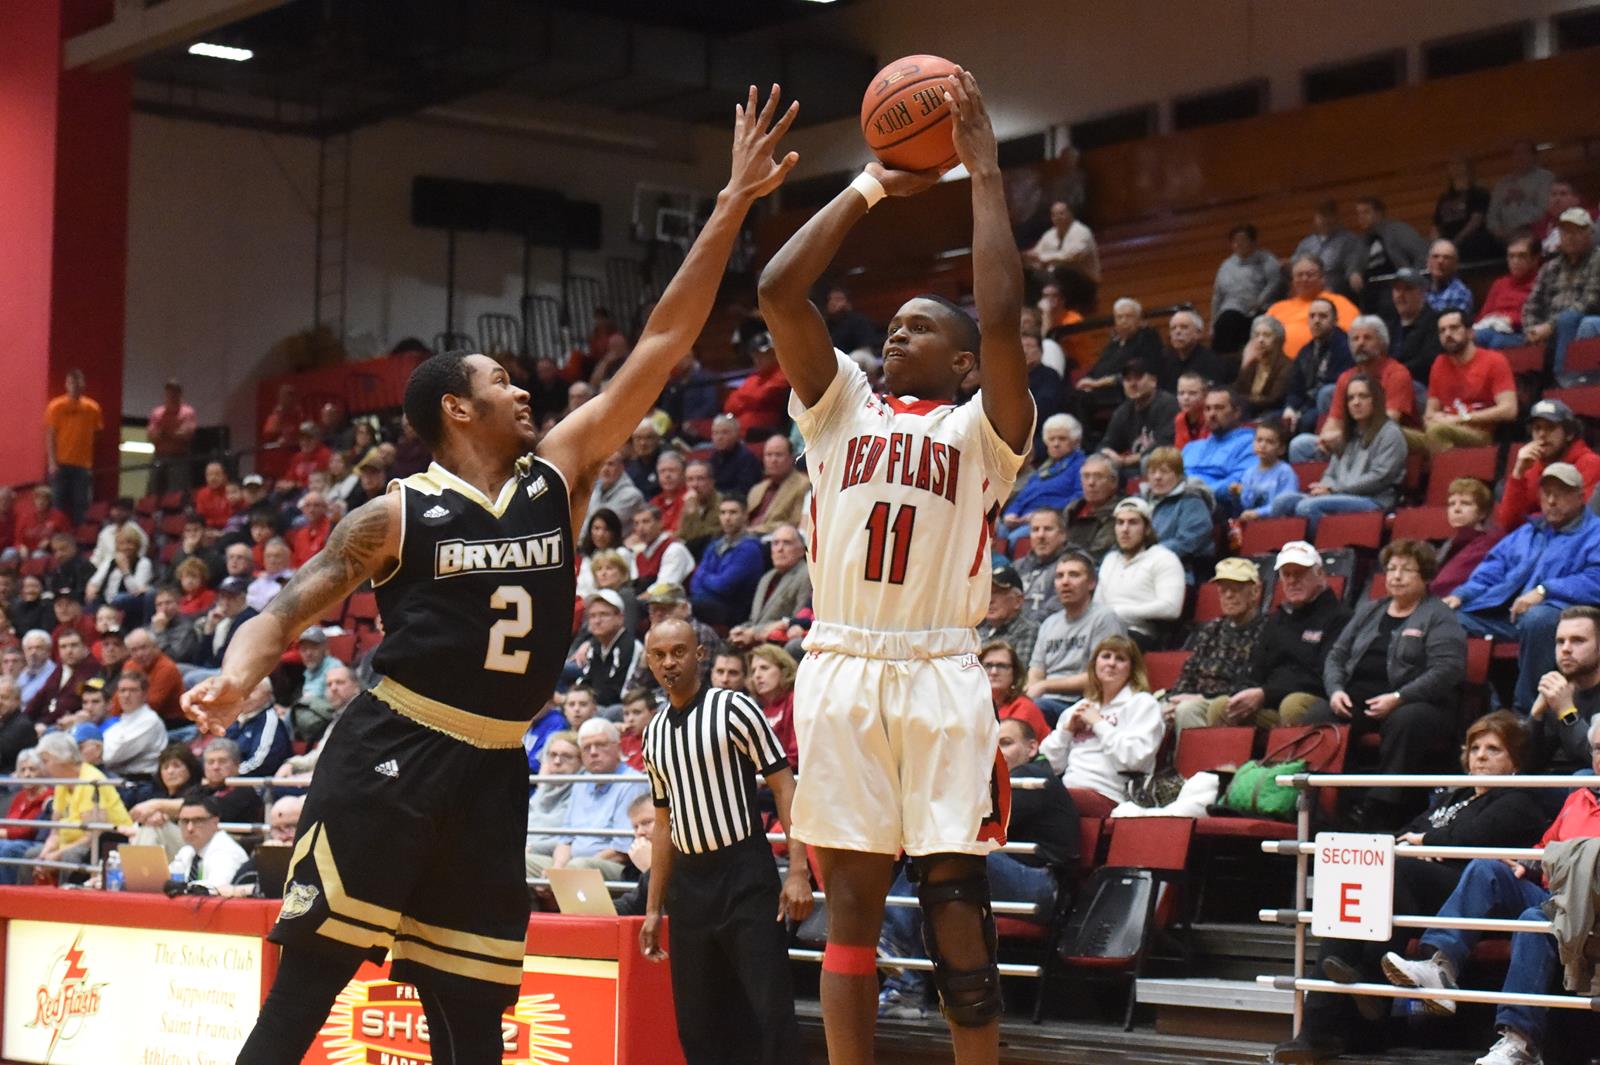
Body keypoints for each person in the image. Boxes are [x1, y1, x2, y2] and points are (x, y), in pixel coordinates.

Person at [179, 86, 801, 1065]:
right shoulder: (393, 515)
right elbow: (287, 608)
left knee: (471, 1016)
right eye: (500, 382)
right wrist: (238, 673)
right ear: (456, 411)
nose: (522, 390)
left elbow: (661, 344)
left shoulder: (561, 475)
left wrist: (730, 204)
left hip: (493, 766)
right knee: (309, 986)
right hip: (393, 751)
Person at [757, 68, 1032, 1063]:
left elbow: (1000, 319)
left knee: (956, 904)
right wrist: (872, 185)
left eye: (918, 325)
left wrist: (984, 174)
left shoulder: (981, 430)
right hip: (840, 662)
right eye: (891, 322)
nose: (893, 332)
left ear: (962, 364)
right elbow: (777, 289)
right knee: (852, 911)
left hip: (938, 665)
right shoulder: (840, 409)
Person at [1273, 710, 1546, 1065]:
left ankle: (1362, 989)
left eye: (1494, 749)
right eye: (1476, 748)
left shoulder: (1519, 800)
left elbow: (1468, 838)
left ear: (1515, 762)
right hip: (1423, 886)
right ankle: (1316, 1030)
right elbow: (1404, 833)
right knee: (1360, 881)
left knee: (1396, 872)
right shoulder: (1456, 796)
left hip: (1470, 896)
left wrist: (1426, 841)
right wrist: (1420, 842)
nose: (1480, 756)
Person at [636, 618, 810, 1065]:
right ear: (649, 662)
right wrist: (654, 908)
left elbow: (784, 785)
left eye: (679, 652)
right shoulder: (653, 733)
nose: (669, 662)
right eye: (659, 655)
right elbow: (663, 823)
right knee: (697, 1023)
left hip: (744, 874)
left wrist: (797, 869)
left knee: (769, 1011)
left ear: (699, 655)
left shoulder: (734, 707)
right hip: (688, 888)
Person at [1379, 717, 1600, 1065]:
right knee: (1486, 867)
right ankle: (1441, 966)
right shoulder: (1578, 796)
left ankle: (1520, 1043)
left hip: (1589, 906)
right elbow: (1544, 849)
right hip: (1554, 895)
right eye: (1597, 749)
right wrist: (1524, 863)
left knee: (1534, 920)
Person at [878, 716, 1078, 1018]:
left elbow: (976, 821)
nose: (996, 752)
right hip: (1003, 876)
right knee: (934, 865)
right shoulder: (997, 781)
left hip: (1042, 886)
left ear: (1032, 748)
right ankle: (904, 988)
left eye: (1006, 743)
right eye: (990, 745)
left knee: (944, 849)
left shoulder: (1034, 777)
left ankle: (890, 939)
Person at [1325, 540, 1468, 829]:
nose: (1396, 576)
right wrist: (1335, 690)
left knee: (1406, 720)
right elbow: (1337, 655)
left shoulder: (1439, 615)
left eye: (1406, 569)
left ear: (1425, 576)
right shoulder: (1369, 610)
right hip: (1358, 699)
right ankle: (1326, 803)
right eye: (1391, 569)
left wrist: (1400, 696)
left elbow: (1447, 669)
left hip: (1418, 702)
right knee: (1317, 715)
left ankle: (1381, 809)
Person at [1445, 463, 1600, 714]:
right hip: (1508, 616)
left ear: (1580, 496)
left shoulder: (1595, 533)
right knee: (1448, 620)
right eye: (1546, 493)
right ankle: (1472, 706)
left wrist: (1544, 591)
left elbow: (1595, 579)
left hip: (1562, 615)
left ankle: (1526, 715)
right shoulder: (1527, 532)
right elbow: (1492, 569)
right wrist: (1462, 594)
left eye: (1560, 493)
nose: (1551, 501)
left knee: (1538, 619)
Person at [1197, 542, 1351, 728]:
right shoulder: (1277, 619)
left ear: (1320, 574)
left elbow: (1322, 677)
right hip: (1271, 702)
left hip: (1315, 702)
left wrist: (1266, 694)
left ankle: (1293, 749)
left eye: (1300, 573)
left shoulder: (1339, 618)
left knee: (1293, 705)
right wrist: (1246, 693)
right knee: (1222, 707)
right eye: (1287, 574)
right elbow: (1256, 669)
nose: (1292, 580)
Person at [1038, 635, 1164, 815]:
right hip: (1069, 791)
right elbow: (1049, 764)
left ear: (1132, 668)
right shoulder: (1080, 708)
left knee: (1035, 799)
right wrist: (1066, 732)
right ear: (1094, 664)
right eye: (1106, 656)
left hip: (1111, 795)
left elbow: (1134, 759)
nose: (1111, 663)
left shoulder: (1142, 704)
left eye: (1120, 659)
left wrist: (1098, 724)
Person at [1269, 374, 1407, 536]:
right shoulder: (1348, 433)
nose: (1356, 402)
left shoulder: (1390, 433)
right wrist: (1323, 488)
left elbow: (1380, 477)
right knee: (1282, 502)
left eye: (1363, 396)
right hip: (1339, 494)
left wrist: (1333, 489)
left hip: (1373, 499)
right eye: (1350, 398)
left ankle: (1326, 547)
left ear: (1376, 400)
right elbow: (1331, 473)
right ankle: (1282, 549)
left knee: (1306, 507)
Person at [527, 718, 649, 881]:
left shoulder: (631, 783)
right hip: (573, 863)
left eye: (601, 745)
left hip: (612, 865)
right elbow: (566, 840)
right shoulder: (581, 782)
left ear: (618, 747)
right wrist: (557, 868)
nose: (593, 752)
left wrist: (567, 873)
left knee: (578, 869)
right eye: (586, 747)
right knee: (520, 864)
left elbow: (621, 850)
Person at [1289, 315, 1417, 463]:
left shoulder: (1397, 373)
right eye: (1355, 339)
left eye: (1367, 338)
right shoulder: (1346, 377)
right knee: (1300, 445)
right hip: (1351, 439)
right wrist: (1326, 439)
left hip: (1386, 440)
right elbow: (1334, 421)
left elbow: (1390, 421)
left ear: (1382, 343)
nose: (1360, 343)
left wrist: (1346, 437)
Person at [1027, 551, 1128, 722]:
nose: (1065, 582)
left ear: (1091, 583)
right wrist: (1033, 689)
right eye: (1059, 576)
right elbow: (1036, 671)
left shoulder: (1104, 618)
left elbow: (1103, 675)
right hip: (1045, 699)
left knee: (1034, 710)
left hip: (1084, 702)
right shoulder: (1049, 623)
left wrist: (1044, 686)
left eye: (1074, 575)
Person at [1168, 559, 1265, 730]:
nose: (1228, 595)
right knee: (1155, 709)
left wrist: (1200, 698)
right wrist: (1175, 698)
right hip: (1198, 701)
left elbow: (1249, 683)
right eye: (1223, 589)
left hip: (1233, 705)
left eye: (1236, 588)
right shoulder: (1211, 629)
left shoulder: (1267, 630)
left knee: (1187, 710)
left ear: (1255, 592)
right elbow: (1189, 673)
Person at [1521, 206, 1600, 385]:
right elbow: (1532, 304)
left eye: (1576, 231)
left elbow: (1591, 301)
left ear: (1590, 233)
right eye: (1565, 232)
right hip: (1549, 333)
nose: (1570, 237)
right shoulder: (1550, 267)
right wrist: (1532, 330)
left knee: (1569, 319)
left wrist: (1550, 326)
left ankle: (1566, 381)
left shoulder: (1597, 260)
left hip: (1582, 325)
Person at [1498, 399, 1600, 534]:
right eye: (1537, 428)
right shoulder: (1531, 466)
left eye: (1550, 428)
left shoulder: (1591, 463)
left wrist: (1530, 519)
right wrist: (1518, 473)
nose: (1542, 434)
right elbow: (1509, 524)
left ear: (1569, 434)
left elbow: (1579, 519)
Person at [1423, 309, 1519, 452]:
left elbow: (1510, 410)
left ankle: (1445, 466)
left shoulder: (1494, 360)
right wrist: (1431, 420)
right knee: (1399, 434)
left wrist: (1461, 418)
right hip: (1444, 427)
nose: (1447, 334)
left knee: (1437, 431)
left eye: (1454, 328)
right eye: (1442, 331)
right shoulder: (1439, 363)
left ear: (1470, 332)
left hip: (1479, 433)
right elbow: (1430, 413)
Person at [1094, 498, 1184, 649]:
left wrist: (1119, 612)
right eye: (1120, 523)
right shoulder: (1110, 560)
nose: (1125, 529)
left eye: (1133, 522)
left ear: (1147, 528)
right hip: (1104, 631)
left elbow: (1171, 608)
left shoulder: (1164, 558)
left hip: (1139, 635)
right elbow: (1097, 605)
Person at [1529, 606, 1600, 775]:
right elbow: (1528, 766)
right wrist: (1535, 717)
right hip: (1558, 782)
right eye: (1560, 641)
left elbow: (1595, 759)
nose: (1566, 649)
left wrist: (1567, 712)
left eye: (1578, 641)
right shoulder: (1557, 691)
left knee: (1582, 775)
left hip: (1589, 782)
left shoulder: (1561, 700)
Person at [1001, 414, 1085, 546]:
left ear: (1075, 442)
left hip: (1049, 523)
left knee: (1014, 539)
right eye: (1052, 439)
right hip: (1021, 520)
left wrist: (1039, 515)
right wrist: (1011, 514)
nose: (1056, 444)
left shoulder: (1081, 466)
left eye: (1062, 439)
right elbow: (1021, 498)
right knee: (994, 531)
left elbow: (1079, 497)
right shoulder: (1042, 470)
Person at [728, 524, 810, 650]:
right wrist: (741, 630)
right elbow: (754, 620)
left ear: (802, 550)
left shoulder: (806, 575)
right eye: (775, 543)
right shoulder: (766, 577)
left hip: (779, 644)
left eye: (787, 543)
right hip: (756, 641)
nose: (780, 549)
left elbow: (798, 620)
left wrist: (753, 632)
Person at [1075, 298, 1161, 415]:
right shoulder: (1115, 343)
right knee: (1074, 397)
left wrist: (1098, 383)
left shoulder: (1147, 338)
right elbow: (1099, 366)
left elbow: (1140, 371)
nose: (1123, 321)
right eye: (1119, 317)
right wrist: (1087, 379)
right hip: (1100, 391)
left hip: (1123, 392)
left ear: (1139, 319)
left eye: (1128, 316)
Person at [688, 499, 765, 626]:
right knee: (674, 605)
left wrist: (703, 576)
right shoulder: (715, 545)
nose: (727, 518)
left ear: (745, 516)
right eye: (723, 513)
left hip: (733, 609)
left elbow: (723, 586)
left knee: (683, 607)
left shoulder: (750, 549)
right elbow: (694, 583)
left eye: (733, 512)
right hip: (706, 602)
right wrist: (705, 579)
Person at [1267, 256, 1359, 358]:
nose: (1304, 279)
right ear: (1293, 280)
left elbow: (1351, 336)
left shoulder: (1339, 303)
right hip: (1278, 363)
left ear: (1322, 279)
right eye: (1299, 275)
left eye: (1310, 275)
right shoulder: (1277, 308)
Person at [1281, 299, 1352, 430]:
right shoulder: (1306, 351)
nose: (1316, 321)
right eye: (1312, 316)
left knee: (1305, 422)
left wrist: (1301, 412)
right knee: (1274, 421)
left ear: (1335, 320)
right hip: (1305, 404)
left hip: (1328, 407)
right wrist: (1290, 408)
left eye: (1323, 316)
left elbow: (1334, 385)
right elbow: (1295, 386)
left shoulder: (1345, 347)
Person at [1099, 360, 1177, 478]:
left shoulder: (1169, 404)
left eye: (1138, 378)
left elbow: (1165, 444)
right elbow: (1106, 443)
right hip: (1130, 468)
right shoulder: (1123, 411)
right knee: (1096, 461)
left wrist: (1127, 460)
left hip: (1161, 467)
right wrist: (1107, 453)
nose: (1132, 384)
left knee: (1148, 462)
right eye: (1128, 379)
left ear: (1153, 381)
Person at [43, 368, 103, 523]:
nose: (74, 386)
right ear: (66, 384)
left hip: (83, 465)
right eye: (70, 382)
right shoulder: (56, 406)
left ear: (83, 384)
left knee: (82, 505)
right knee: (57, 505)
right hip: (60, 464)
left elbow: (96, 433)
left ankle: (80, 534)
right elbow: (50, 435)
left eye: (77, 382)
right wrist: (52, 462)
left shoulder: (93, 407)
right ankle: (57, 533)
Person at [1139, 448, 1214, 570]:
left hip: (1181, 568)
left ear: (1179, 475)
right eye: (1152, 472)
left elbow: (1187, 542)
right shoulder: (1141, 500)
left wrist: (1145, 555)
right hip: (1144, 565)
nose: (1157, 477)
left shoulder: (1192, 501)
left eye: (1164, 471)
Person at [1211, 223, 1281, 354]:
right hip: (1233, 309)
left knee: (1261, 325)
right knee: (1225, 321)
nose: (1239, 244)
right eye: (1235, 241)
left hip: (1260, 308)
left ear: (1253, 242)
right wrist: (1213, 323)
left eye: (1243, 240)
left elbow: (1275, 281)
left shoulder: (1267, 259)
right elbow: (1217, 296)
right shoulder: (1226, 265)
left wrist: (1260, 301)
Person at [1353, 197, 1427, 314]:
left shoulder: (1398, 230)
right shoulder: (1362, 240)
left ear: (1379, 213)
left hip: (1395, 288)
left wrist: (1412, 281)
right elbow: (1354, 264)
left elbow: (1421, 255)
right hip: (1370, 293)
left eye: (1366, 212)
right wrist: (1354, 272)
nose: (1361, 217)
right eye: (1359, 214)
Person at [1180, 388, 1256, 501]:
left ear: (1237, 413)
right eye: (1207, 409)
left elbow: (1238, 483)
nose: (1212, 414)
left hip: (1215, 504)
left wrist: (1196, 491)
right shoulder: (1191, 447)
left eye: (1219, 408)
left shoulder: (1251, 444)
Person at [1433, 477, 1502, 600]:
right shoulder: (1450, 544)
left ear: (1482, 512)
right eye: (1451, 504)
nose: (1456, 509)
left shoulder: (1488, 543)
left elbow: (1446, 583)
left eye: (1465, 503)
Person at [723, 323, 791, 439]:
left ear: (774, 353)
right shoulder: (755, 377)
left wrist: (742, 398)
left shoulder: (784, 373)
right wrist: (748, 398)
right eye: (755, 356)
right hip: (741, 434)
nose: (757, 360)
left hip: (767, 434)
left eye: (762, 355)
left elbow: (762, 396)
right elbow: (729, 406)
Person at [1474, 235, 1542, 349]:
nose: (1515, 261)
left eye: (1522, 256)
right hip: (1493, 329)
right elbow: (1484, 315)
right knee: (1473, 338)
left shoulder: (1541, 282)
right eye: (1511, 256)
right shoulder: (1500, 284)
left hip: (1522, 333)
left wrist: (1510, 320)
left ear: (1535, 259)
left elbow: (1539, 316)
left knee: (1498, 342)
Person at [1022, 200, 1100, 297]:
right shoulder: (1049, 234)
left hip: (1085, 282)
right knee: (1029, 274)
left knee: (1061, 271)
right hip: (1058, 279)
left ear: (1070, 214)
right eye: (1054, 215)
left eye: (1061, 213)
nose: (1058, 217)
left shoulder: (1082, 232)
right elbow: (1036, 253)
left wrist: (1044, 258)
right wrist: (1028, 257)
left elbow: (1072, 256)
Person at [524, 731, 580, 864]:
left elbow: (573, 839)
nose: (557, 761)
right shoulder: (542, 790)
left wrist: (532, 848)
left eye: (566, 756)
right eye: (553, 755)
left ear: (580, 761)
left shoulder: (582, 792)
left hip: (553, 857)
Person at [101, 670, 167, 779]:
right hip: (119, 778)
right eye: (122, 690)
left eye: (133, 690)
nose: (126, 695)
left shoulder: (149, 720)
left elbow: (110, 756)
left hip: (141, 781)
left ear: (144, 694)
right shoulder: (119, 722)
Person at [1292, 200, 1363, 300]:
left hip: (1336, 290)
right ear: (1315, 218)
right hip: (1309, 290)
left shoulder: (1348, 240)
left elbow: (1353, 264)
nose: (1325, 220)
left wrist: (1353, 274)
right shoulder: (1306, 243)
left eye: (1329, 215)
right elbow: (1295, 265)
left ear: (1336, 217)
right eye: (1321, 216)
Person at [1487, 140, 1554, 245]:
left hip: (1532, 230)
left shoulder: (1545, 178)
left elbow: (1544, 212)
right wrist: (1498, 230)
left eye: (1524, 152)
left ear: (1534, 156)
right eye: (1516, 153)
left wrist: (1523, 198)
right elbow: (1492, 214)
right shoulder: (1503, 183)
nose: (1520, 157)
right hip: (1504, 234)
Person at [1386, 267, 1445, 383]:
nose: (1400, 295)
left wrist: (1396, 372)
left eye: (1407, 289)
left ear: (1422, 293)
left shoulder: (1436, 323)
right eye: (1397, 289)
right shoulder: (1390, 325)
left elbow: (1427, 362)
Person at [980, 640, 1048, 739]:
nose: (994, 672)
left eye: (1002, 666)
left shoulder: (1024, 707)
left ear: (1014, 673)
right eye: (988, 665)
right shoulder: (976, 705)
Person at [1433, 158, 1496, 262]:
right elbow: (1436, 226)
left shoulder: (1479, 193)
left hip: (1471, 238)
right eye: (1453, 165)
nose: (1456, 168)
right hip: (1448, 240)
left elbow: (1476, 221)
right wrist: (1436, 244)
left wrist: (1456, 241)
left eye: (1459, 164)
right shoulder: (1444, 198)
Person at [748, 644, 799, 769]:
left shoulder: (795, 700)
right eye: (753, 671)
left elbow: (797, 755)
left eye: (764, 668)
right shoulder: (761, 710)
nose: (757, 675)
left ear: (784, 670)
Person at [1235, 420, 1297, 522]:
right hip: (1252, 522)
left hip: (1277, 523)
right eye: (1259, 440)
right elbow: (1246, 504)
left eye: (1270, 442)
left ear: (1281, 449)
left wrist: (1259, 513)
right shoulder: (1249, 473)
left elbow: (1286, 504)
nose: (1263, 445)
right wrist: (1238, 494)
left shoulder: (1285, 472)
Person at [1232, 315, 1294, 419]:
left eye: (1267, 335)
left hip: (1272, 413)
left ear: (1278, 340)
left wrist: (1241, 399)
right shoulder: (1252, 363)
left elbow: (1274, 399)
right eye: (1256, 335)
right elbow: (1237, 389)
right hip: (1249, 410)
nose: (1260, 340)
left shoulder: (1287, 366)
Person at [976, 565, 1038, 667]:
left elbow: (1019, 672)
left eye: (997, 593)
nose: (990, 600)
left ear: (1018, 601)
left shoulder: (1028, 630)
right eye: (987, 593)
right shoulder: (980, 631)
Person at [746, 434, 808, 535]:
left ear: (791, 458)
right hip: (746, 538)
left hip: (778, 538)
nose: (773, 460)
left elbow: (795, 523)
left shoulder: (803, 485)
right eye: (769, 455)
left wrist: (757, 530)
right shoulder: (757, 489)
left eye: (778, 455)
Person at [1064, 456, 1121, 563]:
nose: (1091, 483)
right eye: (1086, 476)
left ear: (1113, 482)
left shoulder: (1119, 512)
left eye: (1098, 477)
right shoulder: (1072, 509)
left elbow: (1098, 554)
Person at [147, 378, 198, 496]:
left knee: (177, 493)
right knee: (154, 490)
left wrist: (165, 433)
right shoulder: (157, 413)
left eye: (174, 391)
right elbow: (151, 436)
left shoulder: (188, 412)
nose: (171, 395)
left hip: (179, 457)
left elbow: (186, 434)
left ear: (180, 393)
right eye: (169, 391)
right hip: (159, 456)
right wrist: (173, 433)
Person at [1016, 509, 1068, 624]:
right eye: (1035, 530)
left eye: (1048, 529)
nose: (1041, 535)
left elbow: (1057, 609)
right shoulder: (1017, 566)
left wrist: (1025, 627)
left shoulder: (1073, 567)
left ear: (1063, 535)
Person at [625, 505, 695, 590]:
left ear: (660, 523)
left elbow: (664, 588)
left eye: (646, 522)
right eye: (636, 524)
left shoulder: (674, 549)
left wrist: (638, 598)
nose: (640, 528)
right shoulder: (639, 556)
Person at [576, 508, 636, 598]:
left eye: (606, 529)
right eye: (596, 528)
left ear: (614, 532)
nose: (600, 534)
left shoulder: (622, 553)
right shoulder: (587, 557)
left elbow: (627, 582)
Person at [1159, 310, 1222, 393]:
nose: (1177, 332)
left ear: (1198, 333)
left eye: (1184, 327)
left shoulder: (1211, 361)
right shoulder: (1165, 360)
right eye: (1173, 328)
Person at [708, 413, 763, 499]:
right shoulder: (714, 457)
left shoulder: (747, 458)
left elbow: (744, 491)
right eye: (715, 433)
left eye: (724, 432)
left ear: (736, 434)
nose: (719, 437)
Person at [588, 450, 646, 527]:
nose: (605, 469)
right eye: (602, 464)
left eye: (610, 464)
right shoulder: (594, 491)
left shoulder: (631, 495)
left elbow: (604, 523)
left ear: (621, 467)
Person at [1424, 239, 1475, 316]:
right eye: (1435, 256)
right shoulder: (1419, 288)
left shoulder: (1460, 294)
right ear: (1428, 262)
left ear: (1455, 264)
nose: (1440, 261)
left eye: (1446, 257)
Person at [1173, 371, 1211, 450]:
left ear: (1205, 395)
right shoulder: (1179, 419)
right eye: (1181, 393)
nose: (1186, 398)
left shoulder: (1212, 418)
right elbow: (1180, 451)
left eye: (1192, 393)